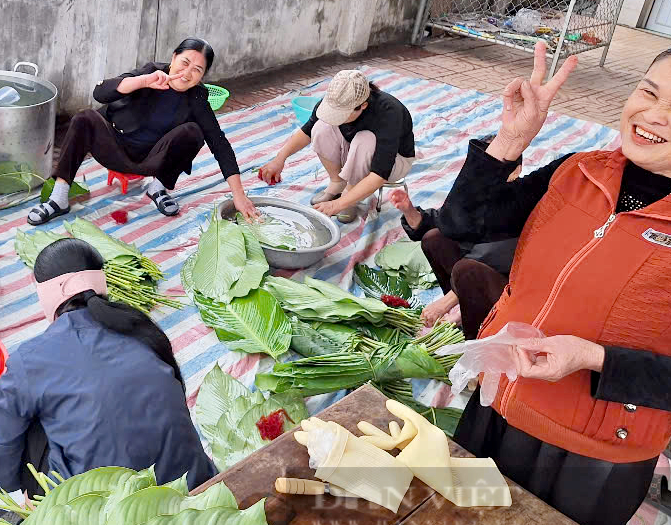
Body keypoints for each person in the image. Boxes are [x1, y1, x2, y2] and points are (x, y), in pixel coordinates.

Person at [438, 41, 671, 525]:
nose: (652, 114)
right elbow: (463, 225)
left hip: (589, 458)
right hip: (496, 404)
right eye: (648, 91)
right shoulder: (579, 171)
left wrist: (593, 358)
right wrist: (510, 139)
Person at [0, 238, 216, 503]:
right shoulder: (141, 328)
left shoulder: (30, 359)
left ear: (45, 293)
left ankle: (37, 512)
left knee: (28, 423)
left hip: (108, 514)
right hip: (196, 484)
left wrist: (16, 484)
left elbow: (2, 472)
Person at [28, 38, 257, 225]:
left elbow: (220, 144)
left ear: (202, 76)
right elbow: (100, 93)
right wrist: (143, 81)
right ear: (173, 58)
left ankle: (157, 189)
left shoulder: (196, 97)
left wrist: (238, 194)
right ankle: (58, 198)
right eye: (184, 62)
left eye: (197, 70)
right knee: (84, 118)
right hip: (115, 149)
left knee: (193, 132)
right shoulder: (151, 73)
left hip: (153, 161)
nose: (187, 73)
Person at [259, 70, 416, 223]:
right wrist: (280, 158)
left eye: (342, 114)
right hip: (354, 149)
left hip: (394, 161)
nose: (336, 118)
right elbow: (307, 131)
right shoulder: (335, 98)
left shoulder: (388, 112)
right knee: (321, 127)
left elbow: (379, 174)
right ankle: (337, 183)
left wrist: (338, 204)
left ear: (363, 106)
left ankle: (350, 195)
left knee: (364, 140)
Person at [389, 176, 520, 337]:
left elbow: (503, 251)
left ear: (516, 171)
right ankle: (462, 314)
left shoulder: (525, 199)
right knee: (434, 238)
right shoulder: (481, 189)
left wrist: (447, 301)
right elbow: (446, 221)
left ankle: (473, 339)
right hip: (473, 276)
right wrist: (409, 211)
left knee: (466, 271)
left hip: (514, 286)